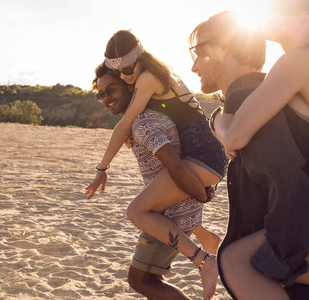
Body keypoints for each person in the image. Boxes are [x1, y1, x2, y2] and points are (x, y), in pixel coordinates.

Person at [188, 10, 309, 300]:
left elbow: (236, 135)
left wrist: (217, 120)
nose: (267, 9)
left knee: (237, 262)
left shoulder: (302, 60)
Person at [86, 30, 227, 295]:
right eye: (119, 74)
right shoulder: (151, 81)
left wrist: (102, 169)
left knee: (137, 212)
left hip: (203, 154)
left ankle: (204, 262)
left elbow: (125, 125)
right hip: (202, 152)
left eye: (128, 70)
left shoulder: (148, 79)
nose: (126, 76)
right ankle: (204, 237)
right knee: (158, 197)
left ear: (141, 59)